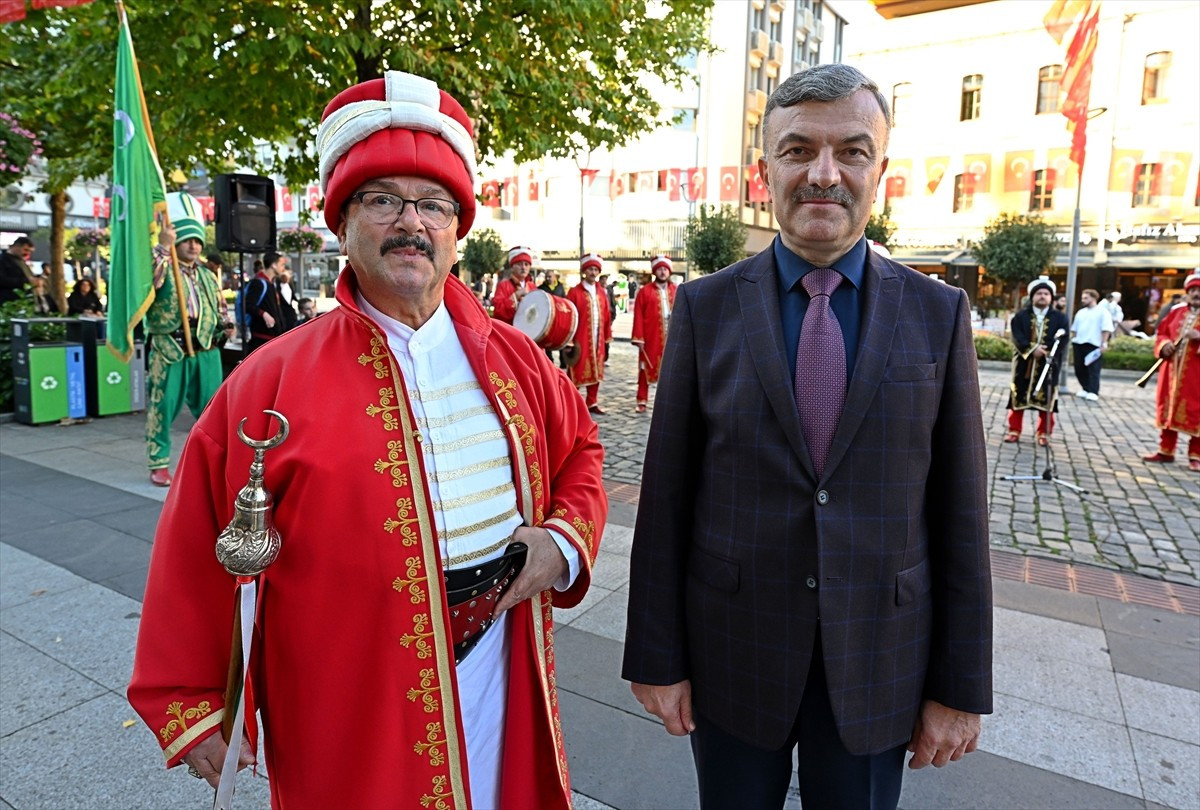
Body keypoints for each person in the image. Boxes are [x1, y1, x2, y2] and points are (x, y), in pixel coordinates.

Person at [128, 70, 606, 809]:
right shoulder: (267, 382)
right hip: (345, 701)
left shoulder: (516, 357)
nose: (411, 223)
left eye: (434, 205)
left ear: (458, 229)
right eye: (383, 200)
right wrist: (193, 701)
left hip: (500, 667)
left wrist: (563, 542)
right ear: (342, 223)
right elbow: (199, 539)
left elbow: (582, 453)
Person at [622, 64, 992, 810]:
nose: (825, 174)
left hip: (880, 660)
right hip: (733, 652)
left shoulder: (937, 315)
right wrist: (656, 657)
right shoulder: (704, 309)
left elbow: (960, 514)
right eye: (798, 151)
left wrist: (960, 686)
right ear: (766, 169)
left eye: (851, 152)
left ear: (879, 170)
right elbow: (665, 497)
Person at [143, 192, 234, 487]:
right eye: (187, 240)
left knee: (214, 412)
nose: (194, 246)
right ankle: (158, 463)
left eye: (197, 240)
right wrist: (162, 247)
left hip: (206, 349)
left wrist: (225, 325)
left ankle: (217, 461)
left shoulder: (208, 274)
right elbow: (147, 287)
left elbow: (218, 305)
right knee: (162, 408)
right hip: (170, 348)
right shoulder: (161, 266)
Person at [1142, 270, 1200, 472]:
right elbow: (1162, 332)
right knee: (1168, 407)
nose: (1196, 293)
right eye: (1193, 289)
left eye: (1199, 290)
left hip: (1196, 376)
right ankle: (1166, 450)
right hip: (1171, 372)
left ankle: (1196, 455)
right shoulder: (1176, 311)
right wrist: (1164, 345)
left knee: (1195, 412)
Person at [1004, 276, 1070, 446]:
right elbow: (1017, 336)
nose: (1042, 296)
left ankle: (1044, 433)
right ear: (1032, 296)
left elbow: (1063, 339)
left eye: (1046, 294)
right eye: (1039, 293)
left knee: (1047, 399)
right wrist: (1032, 349)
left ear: (1051, 297)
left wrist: (1046, 351)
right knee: (1018, 396)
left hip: (1048, 364)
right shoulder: (1020, 316)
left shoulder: (1060, 318)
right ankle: (1014, 430)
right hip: (1024, 363)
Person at [630, 254, 677, 414]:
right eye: (660, 269)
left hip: (672, 337)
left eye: (665, 269)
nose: (663, 272)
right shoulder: (644, 292)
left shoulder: (677, 290)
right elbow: (638, 315)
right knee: (645, 368)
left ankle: (670, 401)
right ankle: (642, 400)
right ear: (655, 272)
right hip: (651, 337)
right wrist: (639, 337)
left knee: (672, 370)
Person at [567, 253, 613, 415]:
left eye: (595, 269)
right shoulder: (574, 292)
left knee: (597, 370)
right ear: (584, 271)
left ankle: (592, 402)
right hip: (580, 339)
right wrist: (569, 341)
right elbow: (569, 317)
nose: (593, 273)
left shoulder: (601, 292)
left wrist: (607, 337)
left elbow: (606, 315)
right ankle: (571, 402)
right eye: (590, 269)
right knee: (577, 369)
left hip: (598, 338)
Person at [243, 250, 290, 354]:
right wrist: (263, 314)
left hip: (273, 338)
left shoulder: (272, 283)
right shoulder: (259, 283)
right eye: (281, 264)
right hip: (262, 340)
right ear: (273, 265)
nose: (283, 268)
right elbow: (248, 305)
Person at [1070, 288, 1113, 402]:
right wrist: (1073, 339)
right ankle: (1085, 388)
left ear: (1094, 298)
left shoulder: (1102, 311)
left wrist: (1104, 343)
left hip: (1094, 344)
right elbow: (1074, 328)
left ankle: (1093, 391)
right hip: (1079, 343)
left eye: (1086, 298)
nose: (1083, 300)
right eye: (1082, 298)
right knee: (1079, 368)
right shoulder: (1081, 312)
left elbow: (1106, 329)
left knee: (1093, 369)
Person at [491, 246, 538, 324]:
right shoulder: (503, 285)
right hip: (510, 330)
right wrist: (515, 296)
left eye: (526, 264)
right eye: (520, 264)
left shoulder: (532, 286)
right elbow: (498, 311)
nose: (523, 267)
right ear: (512, 267)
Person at [0, 236, 34, 304]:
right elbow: (2, 280)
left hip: (22, 302)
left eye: (30, 251)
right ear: (16, 246)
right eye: (26, 250)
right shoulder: (2, 260)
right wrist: (26, 281)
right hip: (8, 302)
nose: (28, 253)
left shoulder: (21, 261)